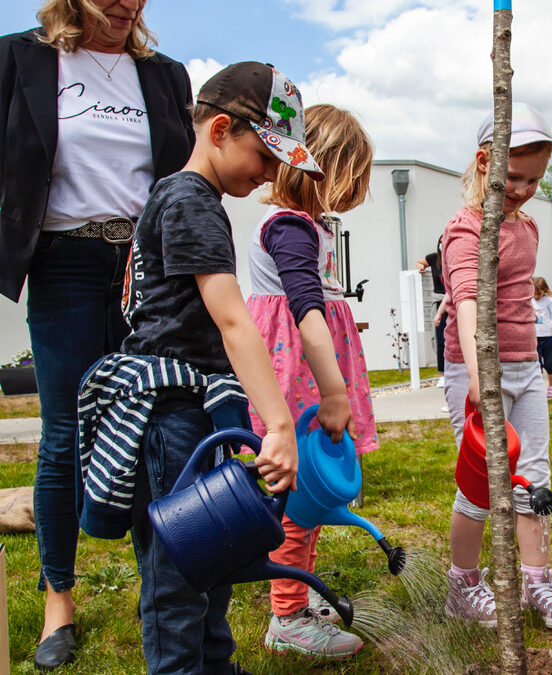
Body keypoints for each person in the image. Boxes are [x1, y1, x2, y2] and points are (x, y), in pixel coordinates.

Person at [0, 2, 194, 668]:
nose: (124, 3)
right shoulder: (21, 57)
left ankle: (159, 587)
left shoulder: (164, 75)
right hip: (66, 263)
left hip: (148, 266)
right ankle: (58, 596)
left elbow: (180, 178)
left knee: (157, 423)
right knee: (65, 434)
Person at [114, 62, 311, 674]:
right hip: (172, 418)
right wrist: (277, 425)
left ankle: (216, 666)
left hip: (189, 409)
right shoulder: (192, 202)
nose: (269, 174)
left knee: (214, 552)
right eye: (264, 155)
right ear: (221, 129)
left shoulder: (179, 199)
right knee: (179, 569)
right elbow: (233, 322)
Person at [441, 102, 552, 631]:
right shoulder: (465, 230)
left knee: (534, 482)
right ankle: (462, 584)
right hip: (480, 376)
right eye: (515, 177)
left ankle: (537, 582)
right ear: (485, 162)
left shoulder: (527, 228)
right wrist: (480, 379)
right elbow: (467, 301)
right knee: (481, 486)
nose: (524, 189)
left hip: (525, 370)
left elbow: (519, 297)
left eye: (535, 180)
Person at [246, 103, 376, 658]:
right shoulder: (291, 230)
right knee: (300, 500)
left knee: (312, 494)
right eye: (354, 178)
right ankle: (288, 617)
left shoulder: (308, 228)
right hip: (299, 374)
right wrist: (334, 391)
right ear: (325, 169)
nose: (356, 192)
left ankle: (298, 599)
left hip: (304, 369)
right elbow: (305, 310)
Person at [417, 236, 448, 388]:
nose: (443, 245)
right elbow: (420, 261)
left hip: (453, 302)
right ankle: (442, 374)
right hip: (439, 302)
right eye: (441, 242)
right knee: (441, 340)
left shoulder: (455, 257)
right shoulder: (434, 258)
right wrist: (421, 267)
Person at [532, 276, 552, 398]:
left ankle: (551, 385)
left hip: (547, 336)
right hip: (535, 337)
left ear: (544, 290)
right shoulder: (530, 300)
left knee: (549, 364)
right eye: (534, 294)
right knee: (538, 364)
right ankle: (539, 388)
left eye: (539, 294)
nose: (536, 297)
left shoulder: (549, 301)